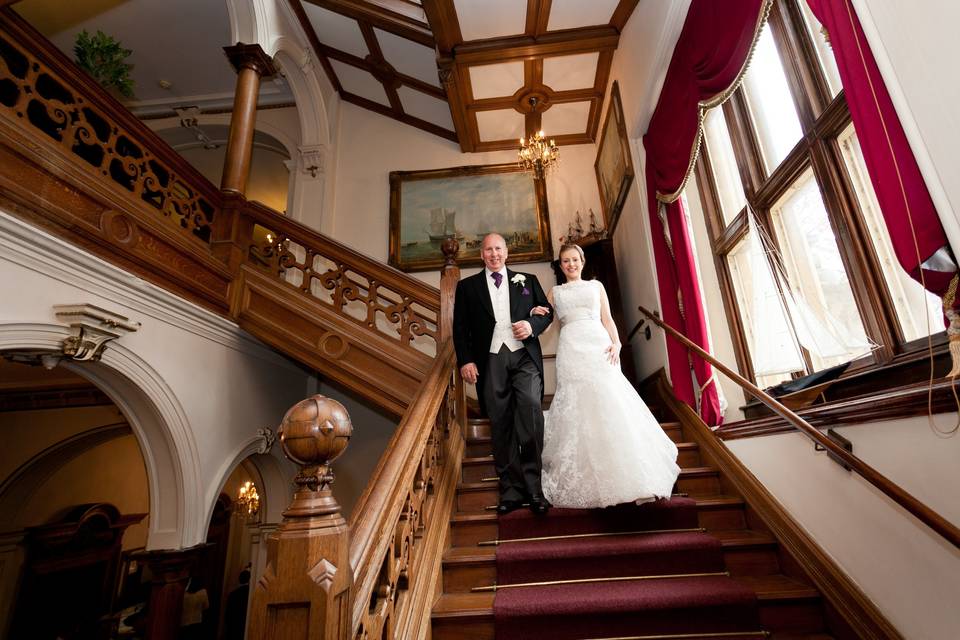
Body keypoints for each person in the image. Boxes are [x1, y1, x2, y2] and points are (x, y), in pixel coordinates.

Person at [532, 243, 680, 508]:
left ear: (582, 261)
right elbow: (544, 325)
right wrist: (534, 315)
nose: (571, 265)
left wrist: (617, 344)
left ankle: (632, 475)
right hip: (571, 348)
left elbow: (607, 318)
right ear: (560, 265)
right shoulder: (554, 293)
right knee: (578, 405)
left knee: (610, 401)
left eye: (575, 259)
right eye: (565, 261)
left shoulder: (596, 287)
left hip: (598, 346)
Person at [453, 233, 554, 515]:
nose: (494, 254)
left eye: (498, 249)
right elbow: (460, 329)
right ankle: (510, 490)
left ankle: (535, 489)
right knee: (500, 423)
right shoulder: (467, 287)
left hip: (524, 358)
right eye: (488, 250)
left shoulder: (527, 280)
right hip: (490, 360)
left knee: (532, 411)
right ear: (481, 255)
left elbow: (547, 313)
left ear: (506, 252)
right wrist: (466, 361)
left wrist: (532, 325)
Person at [224, 569, 251, 640]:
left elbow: (227, 614)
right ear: (249, 580)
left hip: (232, 628)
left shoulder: (232, 594)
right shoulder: (250, 594)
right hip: (244, 628)